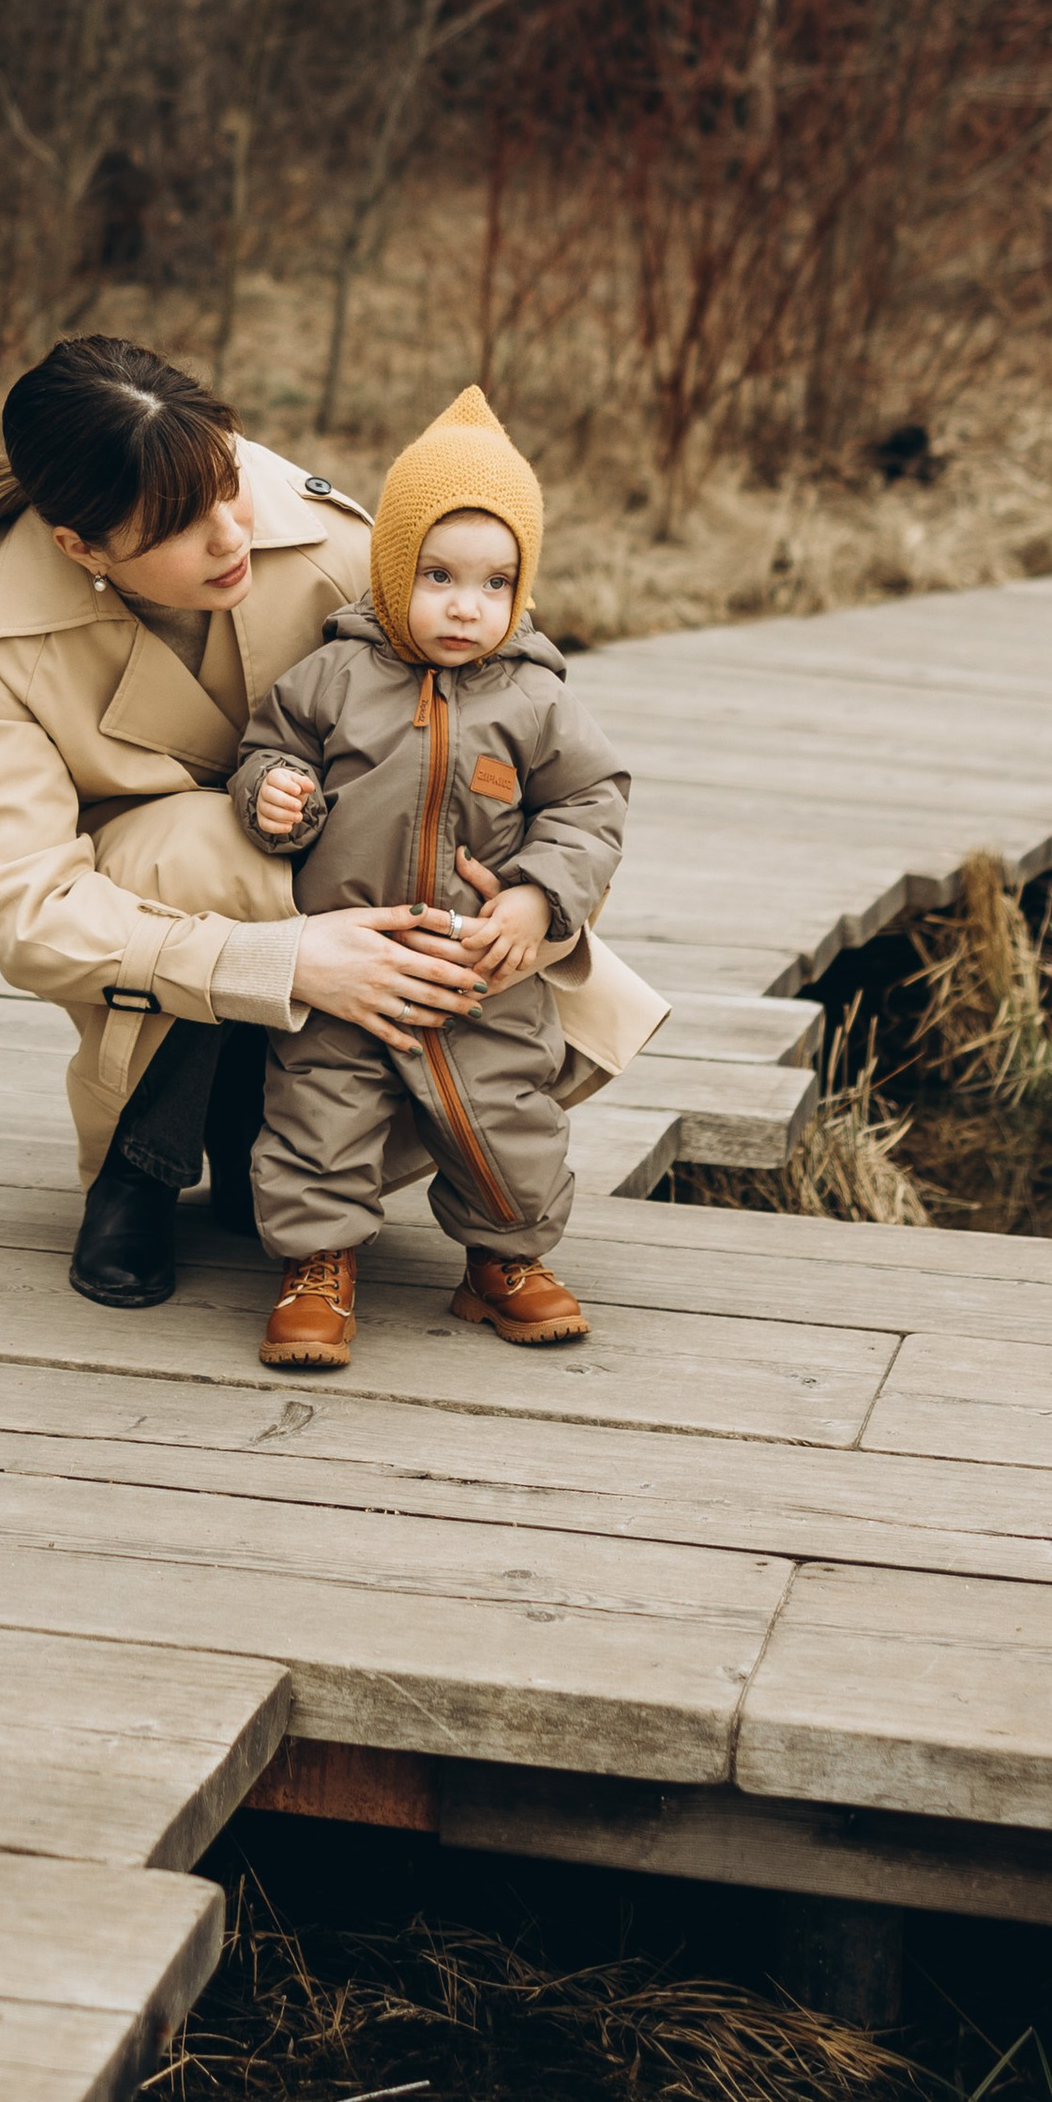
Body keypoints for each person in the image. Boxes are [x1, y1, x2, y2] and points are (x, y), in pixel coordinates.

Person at [0, 338, 665, 1311]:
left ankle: (275, 1139)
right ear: (80, 546)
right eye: (177, 528)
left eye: (229, 485)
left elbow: (523, 732)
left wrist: (534, 900)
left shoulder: (340, 546)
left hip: (373, 874)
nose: (230, 535)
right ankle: (143, 1161)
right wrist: (286, 961)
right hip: (157, 898)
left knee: (358, 839)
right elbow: (25, 906)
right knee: (206, 846)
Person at [228, 385, 643, 1373]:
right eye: (440, 574)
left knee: (506, 1110)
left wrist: (539, 895)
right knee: (320, 1106)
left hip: (479, 967)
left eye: (496, 582)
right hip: (350, 955)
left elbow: (591, 802)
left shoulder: (535, 697)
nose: (468, 604)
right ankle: (316, 1262)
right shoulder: (331, 677)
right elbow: (262, 750)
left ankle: (503, 1258)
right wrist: (273, 790)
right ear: (389, 568)